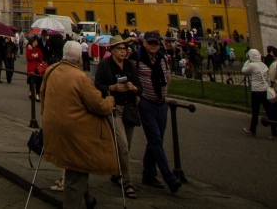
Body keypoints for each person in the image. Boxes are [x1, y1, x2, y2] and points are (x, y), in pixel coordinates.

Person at [41, 41, 120, 209]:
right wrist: (110, 101)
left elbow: (42, 95)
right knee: (76, 171)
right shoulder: (80, 77)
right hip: (75, 132)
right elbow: (98, 105)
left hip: (54, 126)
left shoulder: (51, 70)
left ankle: (89, 198)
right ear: (79, 58)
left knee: (76, 166)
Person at [93, 36, 140, 200]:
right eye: (119, 48)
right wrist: (112, 87)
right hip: (114, 109)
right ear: (111, 50)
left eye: (124, 49)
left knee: (126, 145)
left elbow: (138, 85)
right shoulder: (105, 66)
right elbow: (97, 85)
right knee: (123, 145)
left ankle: (116, 172)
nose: (123, 51)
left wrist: (134, 88)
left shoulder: (129, 65)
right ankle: (128, 183)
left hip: (129, 109)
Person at [134, 31, 181, 193]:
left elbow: (168, 76)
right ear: (144, 43)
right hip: (146, 103)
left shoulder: (163, 58)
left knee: (157, 139)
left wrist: (165, 91)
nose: (154, 45)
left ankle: (148, 174)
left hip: (161, 104)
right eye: (151, 43)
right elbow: (132, 78)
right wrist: (137, 96)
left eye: (156, 43)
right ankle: (169, 177)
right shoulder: (137, 58)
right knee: (155, 140)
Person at [242, 47, 270, 136]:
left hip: (256, 91)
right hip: (265, 90)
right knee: (269, 112)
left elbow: (243, 70)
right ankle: (274, 133)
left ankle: (253, 129)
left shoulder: (252, 65)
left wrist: (248, 61)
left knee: (255, 112)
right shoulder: (264, 65)